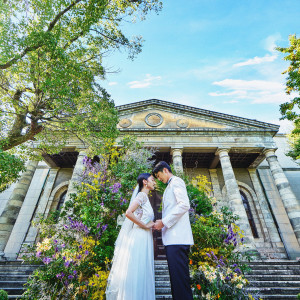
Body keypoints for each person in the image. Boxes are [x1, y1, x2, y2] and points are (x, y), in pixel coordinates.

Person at [106, 173, 156, 300]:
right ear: (145, 182)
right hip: (139, 236)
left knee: (142, 271)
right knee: (138, 271)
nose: (154, 182)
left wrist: (151, 225)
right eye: (152, 180)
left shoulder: (145, 197)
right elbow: (128, 213)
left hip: (145, 237)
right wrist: (144, 225)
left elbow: (141, 216)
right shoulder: (142, 195)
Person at [153, 161, 194, 300]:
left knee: (180, 283)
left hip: (178, 239)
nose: (159, 179)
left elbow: (184, 205)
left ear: (165, 170)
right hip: (172, 240)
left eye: (159, 176)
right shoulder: (169, 186)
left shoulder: (176, 182)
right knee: (177, 283)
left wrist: (164, 222)